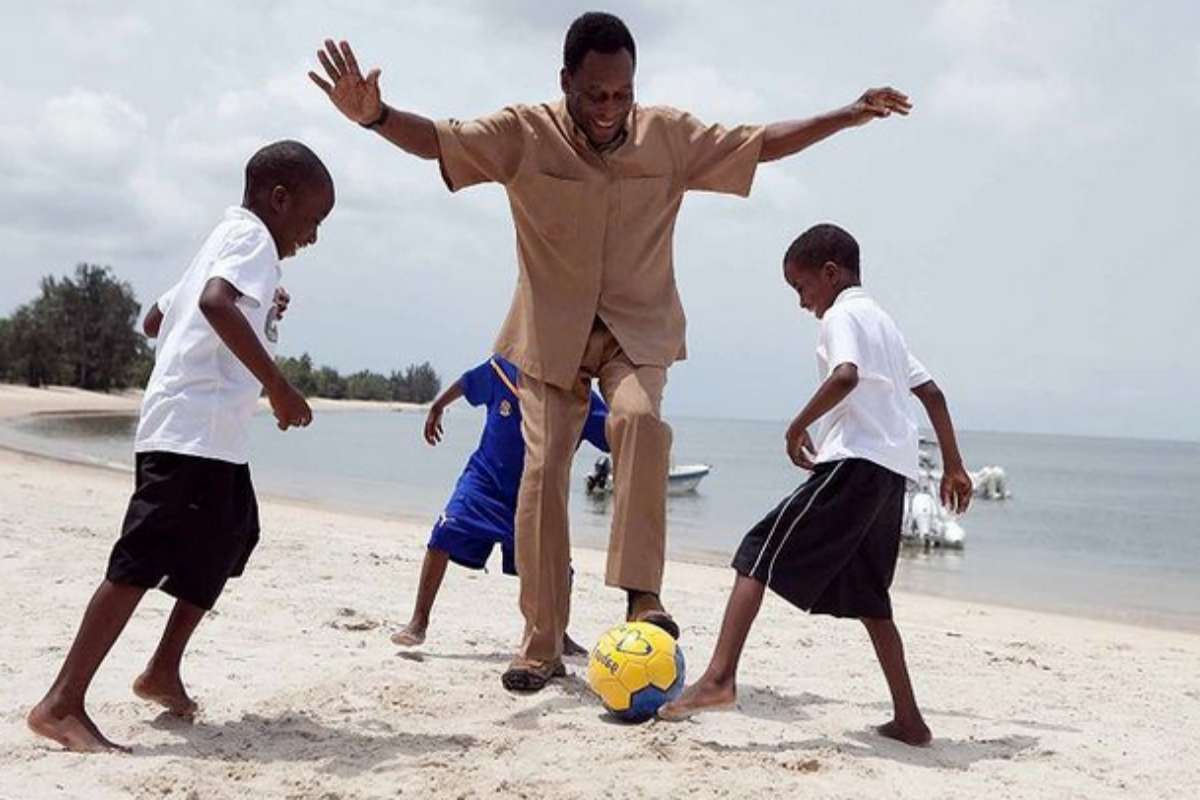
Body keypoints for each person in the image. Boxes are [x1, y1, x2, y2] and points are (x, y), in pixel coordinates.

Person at [310, 11, 912, 691]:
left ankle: (640, 594)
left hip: (637, 328)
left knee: (640, 422)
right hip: (547, 334)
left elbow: (760, 142)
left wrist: (845, 115)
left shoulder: (669, 136)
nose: (608, 108)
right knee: (540, 477)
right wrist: (374, 116)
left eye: (621, 94)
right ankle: (539, 645)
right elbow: (440, 141)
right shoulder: (522, 133)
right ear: (566, 81)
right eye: (594, 94)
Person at [27, 140, 335, 753]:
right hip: (189, 434)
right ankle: (61, 702)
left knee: (231, 534)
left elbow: (154, 320)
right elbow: (215, 303)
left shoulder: (225, 238)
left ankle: (162, 668)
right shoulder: (253, 241)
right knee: (141, 559)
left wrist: (257, 307)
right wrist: (278, 388)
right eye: (313, 219)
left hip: (211, 439)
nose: (313, 236)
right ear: (280, 200)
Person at [658, 224, 973, 747]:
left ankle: (717, 680)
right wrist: (955, 466)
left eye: (801, 288)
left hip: (853, 463)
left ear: (830, 274)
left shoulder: (842, 315)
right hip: (893, 474)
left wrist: (796, 424)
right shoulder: (884, 323)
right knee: (872, 599)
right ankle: (910, 721)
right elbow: (933, 393)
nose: (802, 303)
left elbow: (845, 375)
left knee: (756, 552)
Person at [392, 355, 609, 656]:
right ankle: (418, 621)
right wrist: (438, 405)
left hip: (535, 494)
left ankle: (558, 632)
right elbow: (467, 383)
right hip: (484, 479)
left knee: (556, 569)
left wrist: (639, 424)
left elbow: (615, 435)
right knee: (443, 534)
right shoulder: (502, 369)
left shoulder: (577, 393)